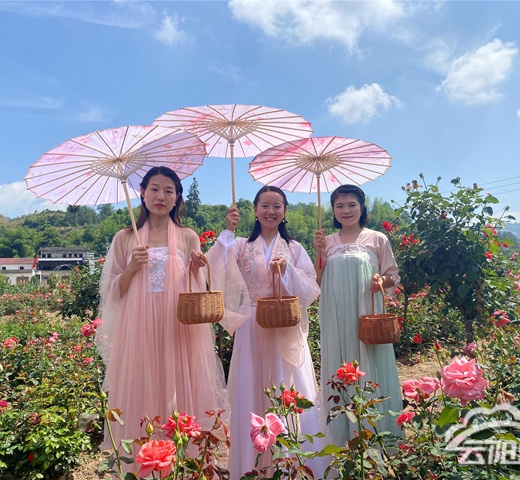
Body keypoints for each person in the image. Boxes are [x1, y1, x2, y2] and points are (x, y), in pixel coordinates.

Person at [95, 167, 227, 468]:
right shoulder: (125, 238)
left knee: (178, 387)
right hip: (138, 325)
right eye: (154, 188)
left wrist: (196, 268)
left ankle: (183, 463)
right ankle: (143, 463)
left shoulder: (187, 236)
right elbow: (112, 291)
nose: (161, 196)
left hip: (178, 325)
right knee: (141, 385)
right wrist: (132, 267)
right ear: (142, 193)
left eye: (169, 190)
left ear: (177, 197)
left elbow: (197, 290)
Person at [208, 185, 327, 479]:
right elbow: (213, 266)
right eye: (264, 205)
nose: (270, 211)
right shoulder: (240, 245)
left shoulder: (294, 248)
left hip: (285, 323)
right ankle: (253, 465)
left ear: (285, 212)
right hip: (252, 322)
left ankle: (292, 465)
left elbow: (311, 288)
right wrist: (227, 231)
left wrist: (287, 271)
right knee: (252, 387)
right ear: (255, 210)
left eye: (277, 206)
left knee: (287, 385)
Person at [313, 184, 404, 446]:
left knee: (368, 361)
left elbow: (393, 276)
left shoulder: (377, 239)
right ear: (333, 210)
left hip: (366, 313)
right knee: (339, 361)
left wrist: (381, 281)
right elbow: (317, 281)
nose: (346, 210)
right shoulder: (327, 242)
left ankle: (375, 433)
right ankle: (341, 435)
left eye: (351, 204)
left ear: (362, 208)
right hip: (335, 315)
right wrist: (318, 252)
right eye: (339, 205)